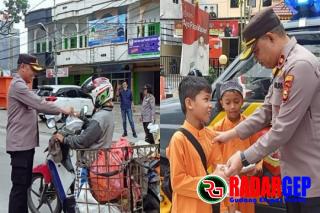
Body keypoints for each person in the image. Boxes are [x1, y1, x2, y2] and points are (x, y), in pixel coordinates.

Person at [214, 8, 320, 213]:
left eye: (256, 52)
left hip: (311, 179)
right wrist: (231, 134)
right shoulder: (283, 68)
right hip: (292, 175)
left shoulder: (300, 65)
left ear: (270, 37)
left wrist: (243, 158)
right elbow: (266, 112)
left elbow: (282, 129)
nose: (257, 59)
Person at [6, 53, 73, 213]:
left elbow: (38, 105)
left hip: (25, 146)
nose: (34, 74)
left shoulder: (23, 86)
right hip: (20, 146)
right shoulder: (18, 85)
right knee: (19, 189)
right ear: (22, 67)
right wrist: (62, 109)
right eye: (31, 70)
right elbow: (39, 104)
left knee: (24, 186)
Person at [166, 76, 225, 213]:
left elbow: (219, 167)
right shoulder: (178, 140)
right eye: (206, 99)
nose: (210, 105)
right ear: (189, 103)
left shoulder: (210, 135)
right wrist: (212, 181)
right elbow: (178, 182)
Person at [212, 80, 262, 213]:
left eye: (236, 101)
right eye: (228, 103)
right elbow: (214, 159)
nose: (232, 106)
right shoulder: (217, 128)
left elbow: (259, 150)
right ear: (222, 103)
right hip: (227, 181)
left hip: (247, 180)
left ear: (242, 101)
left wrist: (258, 166)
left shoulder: (249, 126)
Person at [54, 77, 115, 149]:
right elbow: (94, 128)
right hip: (101, 153)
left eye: (91, 98)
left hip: (93, 157)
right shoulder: (107, 113)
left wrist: (64, 139)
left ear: (100, 95)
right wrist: (81, 117)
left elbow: (82, 141)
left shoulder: (100, 117)